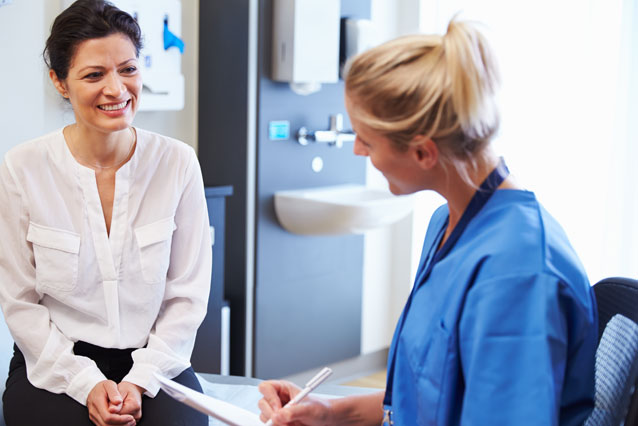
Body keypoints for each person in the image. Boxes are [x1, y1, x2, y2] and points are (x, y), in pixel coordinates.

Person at [258, 19, 598, 426]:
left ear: (423, 153)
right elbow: (425, 395)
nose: (356, 150)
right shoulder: (449, 224)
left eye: (366, 139)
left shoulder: (518, 276)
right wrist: (329, 412)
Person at [0, 1, 211, 425]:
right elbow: (19, 301)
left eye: (128, 69)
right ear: (59, 82)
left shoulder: (178, 163)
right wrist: (84, 383)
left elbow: (186, 297)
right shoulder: (22, 167)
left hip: (156, 360)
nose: (116, 89)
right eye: (94, 75)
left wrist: (140, 380)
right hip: (55, 363)